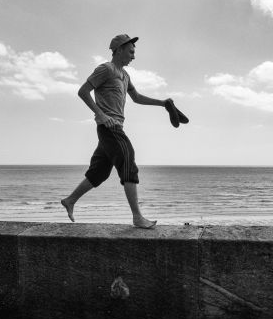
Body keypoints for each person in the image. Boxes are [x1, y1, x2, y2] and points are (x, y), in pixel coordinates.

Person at [61, 34, 187, 228]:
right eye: (131, 52)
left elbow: (136, 97)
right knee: (128, 159)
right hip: (108, 127)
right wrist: (101, 114)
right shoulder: (106, 69)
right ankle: (137, 217)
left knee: (99, 172)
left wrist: (162, 104)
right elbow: (83, 91)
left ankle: (70, 200)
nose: (133, 56)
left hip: (114, 127)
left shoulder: (125, 75)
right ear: (119, 50)